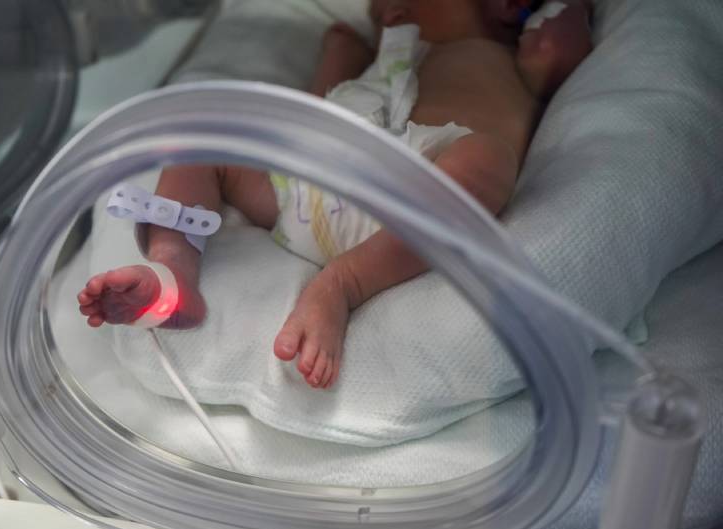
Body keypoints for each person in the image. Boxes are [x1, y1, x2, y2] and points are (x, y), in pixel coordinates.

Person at [78, 0, 593, 389]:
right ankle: (174, 271)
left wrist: (560, 13)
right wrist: (340, 57)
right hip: (307, 187)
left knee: (487, 157)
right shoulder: (383, 57)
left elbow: (561, 46)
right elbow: (308, 117)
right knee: (199, 135)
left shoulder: (509, 54)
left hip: (414, 196)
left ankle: (342, 284)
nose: (389, 9)